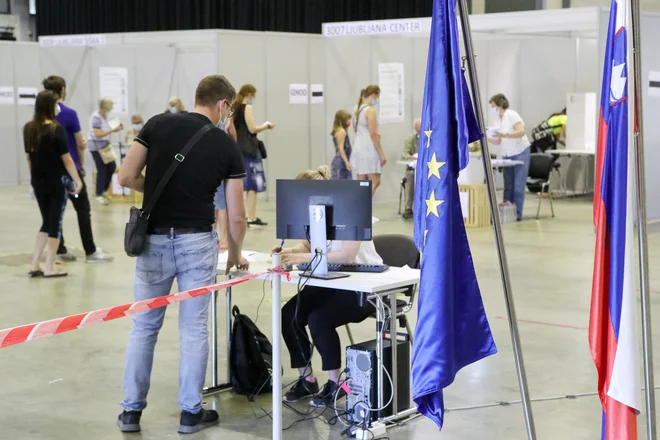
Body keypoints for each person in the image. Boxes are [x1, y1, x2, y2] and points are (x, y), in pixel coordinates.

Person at [117, 75, 249, 435]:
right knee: (193, 330)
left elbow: (126, 176)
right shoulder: (225, 145)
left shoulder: (157, 124)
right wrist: (234, 253)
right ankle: (190, 413)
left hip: (153, 242)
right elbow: (236, 215)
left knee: (143, 327)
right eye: (231, 109)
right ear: (222, 105)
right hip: (196, 243)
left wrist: (158, 188)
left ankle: (131, 412)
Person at [274, 165, 384, 408]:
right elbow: (308, 245)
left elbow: (345, 255)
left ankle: (337, 384)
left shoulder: (348, 208)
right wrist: (287, 252)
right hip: (331, 280)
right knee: (289, 314)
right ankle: (307, 379)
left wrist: (302, 259)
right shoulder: (314, 213)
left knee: (319, 319)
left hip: (362, 285)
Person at [42, 76, 113, 263]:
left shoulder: (40, 116)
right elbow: (80, 143)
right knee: (82, 209)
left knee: (54, 213)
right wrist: (80, 169)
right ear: (63, 90)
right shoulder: (69, 114)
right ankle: (90, 251)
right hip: (69, 171)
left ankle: (60, 250)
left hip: (47, 172)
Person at [24, 91, 82, 278]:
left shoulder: (28, 128)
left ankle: (35, 264)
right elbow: (67, 160)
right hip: (56, 181)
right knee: (55, 223)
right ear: (51, 106)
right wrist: (77, 179)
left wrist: (33, 181)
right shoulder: (56, 129)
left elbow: (29, 157)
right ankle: (48, 266)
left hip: (38, 180)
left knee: (46, 222)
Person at [230, 84, 275, 226]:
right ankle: (251, 216)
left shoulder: (234, 109)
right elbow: (252, 128)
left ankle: (243, 215)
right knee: (252, 184)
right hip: (249, 150)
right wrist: (266, 126)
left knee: (241, 183)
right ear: (249, 95)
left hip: (238, 149)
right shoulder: (247, 108)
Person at [487, 94, 531, 221]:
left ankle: (517, 214)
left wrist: (504, 134)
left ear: (500, 105)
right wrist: (488, 138)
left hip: (520, 152)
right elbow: (499, 140)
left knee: (518, 186)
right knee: (508, 186)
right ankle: (506, 213)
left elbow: (521, 131)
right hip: (507, 154)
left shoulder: (511, 115)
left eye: (493, 106)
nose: (492, 109)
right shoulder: (498, 121)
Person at [351, 85, 387, 197]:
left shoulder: (356, 108)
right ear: (373, 95)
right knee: (375, 181)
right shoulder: (370, 111)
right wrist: (381, 154)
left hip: (358, 145)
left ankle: (359, 205)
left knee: (361, 182)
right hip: (368, 148)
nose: (376, 100)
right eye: (377, 97)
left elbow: (355, 129)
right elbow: (373, 133)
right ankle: (362, 206)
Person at [88, 98, 123, 205]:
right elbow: (98, 134)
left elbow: (108, 128)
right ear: (105, 106)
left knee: (112, 166)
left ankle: (104, 190)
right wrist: (113, 130)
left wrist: (117, 127)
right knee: (102, 169)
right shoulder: (96, 117)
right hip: (96, 146)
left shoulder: (107, 116)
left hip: (105, 146)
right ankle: (98, 194)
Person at [401, 118, 421, 219]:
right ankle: (408, 207)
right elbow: (404, 154)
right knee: (410, 176)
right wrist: (413, 157)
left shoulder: (431, 138)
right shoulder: (410, 139)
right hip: (413, 167)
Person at [330, 110, 352, 180]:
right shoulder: (341, 131)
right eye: (347, 119)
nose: (348, 121)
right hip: (341, 163)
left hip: (342, 161)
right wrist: (346, 162)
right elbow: (341, 148)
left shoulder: (339, 130)